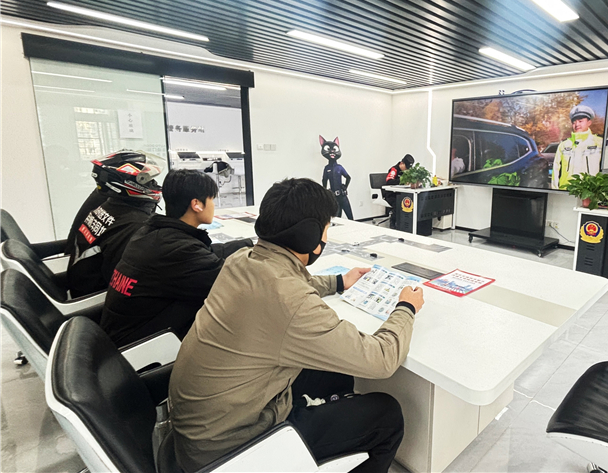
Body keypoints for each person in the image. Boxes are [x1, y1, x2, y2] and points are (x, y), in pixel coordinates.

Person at [168, 178, 424, 473]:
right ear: (309, 235)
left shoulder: (242, 260)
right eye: (326, 228)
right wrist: (406, 308)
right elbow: (381, 359)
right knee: (386, 415)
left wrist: (339, 281)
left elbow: (285, 284)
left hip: (201, 434)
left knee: (334, 372)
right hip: (232, 451)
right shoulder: (291, 302)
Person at [99, 169, 253, 347]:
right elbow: (230, 279)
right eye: (211, 199)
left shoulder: (153, 232)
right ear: (196, 204)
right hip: (139, 345)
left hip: (121, 332)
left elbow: (206, 253)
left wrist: (249, 244)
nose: (213, 205)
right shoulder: (178, 249)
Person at [66, 151, 164, 298]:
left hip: (81, 284)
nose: (154, 185)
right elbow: (125, 279)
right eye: (147, 181)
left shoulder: (109, 207)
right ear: (130, 183)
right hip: (94, 297)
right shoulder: (134, 225)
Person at [551, 105, 603, 189]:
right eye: (574, 122)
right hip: (565, 191)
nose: (577, 124)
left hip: (589, 192)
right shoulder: (564, 145)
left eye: (580, 121)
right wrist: (555, 190)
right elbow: (556, 169)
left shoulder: (599, 143)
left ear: (589, 122)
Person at [383, 153, 414, 229]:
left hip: (401, 193)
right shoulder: (394, 170)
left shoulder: (406, 172)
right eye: (406, 167)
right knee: (399, 203)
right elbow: (389, 181)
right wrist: (401, 181)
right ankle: (393, 222)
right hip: (391, 195)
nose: (407, 170)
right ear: (402, 163)